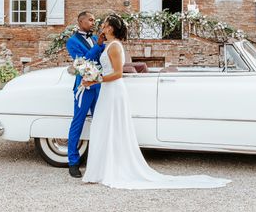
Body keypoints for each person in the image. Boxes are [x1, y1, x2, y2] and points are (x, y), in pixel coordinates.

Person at [81, 14, 231, 189]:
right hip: (108, 90)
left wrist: (95, 80)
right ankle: (101, 170)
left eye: (105, 25)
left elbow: (117, 73)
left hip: (114, 90)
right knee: (104, 127)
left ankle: (110, 170)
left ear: (112, 28)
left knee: (111, 127)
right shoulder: (107, 45)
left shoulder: (114, 47)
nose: (102, 27)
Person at [65, 11, 105, 178]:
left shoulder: (96, 38)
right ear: (80, 21)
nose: (93, 22)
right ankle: (73, 162)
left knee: (100, 121)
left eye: (94, 20)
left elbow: (101, 58)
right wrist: (98, 46)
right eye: (90, 20)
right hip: (83, 86)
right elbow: (81, 62)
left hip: (99, 86)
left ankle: (98, 159)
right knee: (78, 122)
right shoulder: (72, 42)